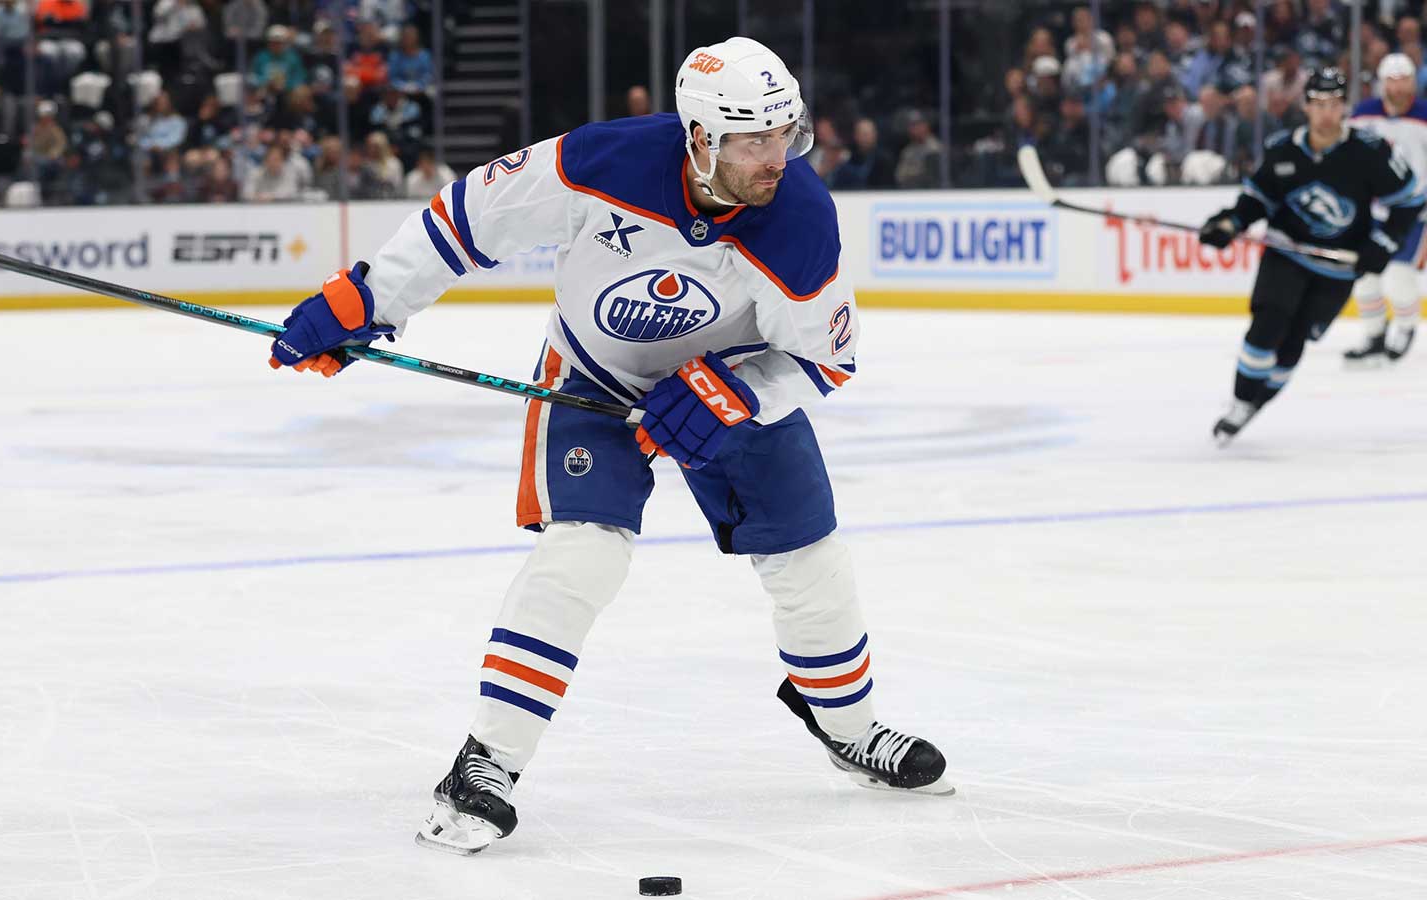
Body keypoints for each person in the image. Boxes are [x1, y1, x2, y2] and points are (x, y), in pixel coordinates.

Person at [265, 35, 951, 855]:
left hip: (729, 387)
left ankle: (852, 726)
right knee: (582, 556)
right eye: (753, 140)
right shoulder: (604, 161)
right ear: (699, 136)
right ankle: (484, 765)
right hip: (593, 380)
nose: (778, 157)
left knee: (812, 558)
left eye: (784, 134)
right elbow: (467, 221)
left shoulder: (800, 217)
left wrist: (738, 394)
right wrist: (370, 299)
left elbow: (826, 360)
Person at [1199, 69, 1424, 445]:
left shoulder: (1370, 152)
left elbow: (1410, 200)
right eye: (1318, 104)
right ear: (1306, 106)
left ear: (1344, 108)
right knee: (1268, 324)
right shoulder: (1282, 148)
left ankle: (1258, 403)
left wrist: (1382, 244)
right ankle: (1240, 402)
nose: (1325, 113)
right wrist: (1229, 223)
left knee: (1294, 341)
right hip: (1286, 252)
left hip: (1338, 265)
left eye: (1333, 105)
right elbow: (1257, 199)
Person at [1344, 53, 1427, 364]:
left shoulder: (1424, 116)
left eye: (1404, 79)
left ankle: (1405, 327)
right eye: (1392, 80)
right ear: (1382, 83)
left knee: (1399, 276)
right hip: (1374, 213)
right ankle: (1374, 335)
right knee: (1365, 276)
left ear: (1413, 82)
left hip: (1416, 214)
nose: (1398, 87)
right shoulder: (1363, 115)